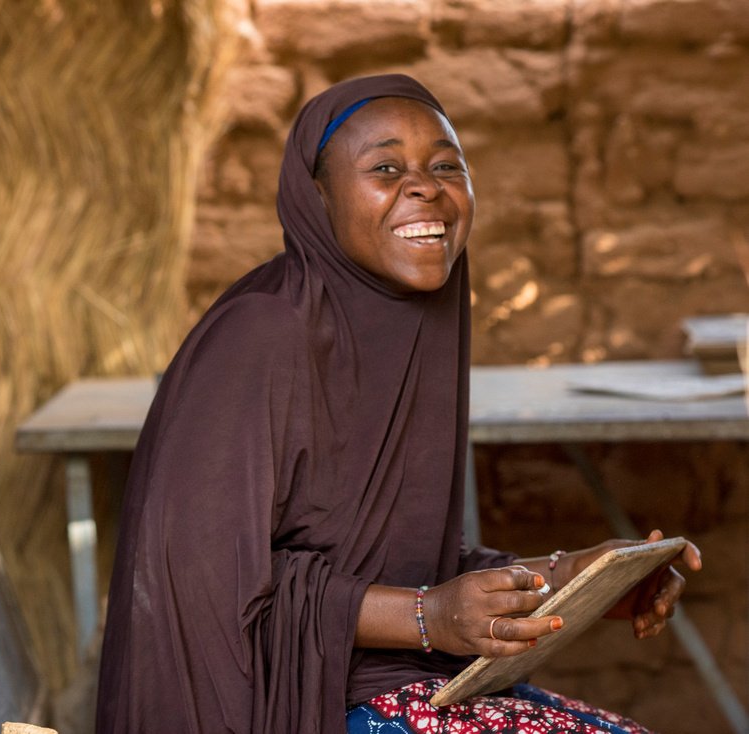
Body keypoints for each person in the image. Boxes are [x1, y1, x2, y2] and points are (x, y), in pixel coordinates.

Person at [95, 74, 702, 734]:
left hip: (399, 687)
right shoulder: (261, 333)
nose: (424, 187)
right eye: (385, 167)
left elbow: (402, 568)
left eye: (446, 166)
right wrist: (426, 616)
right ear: (317, 196)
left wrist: (576, 580)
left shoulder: (413, 329)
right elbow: (202, 585)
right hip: (284, 709)